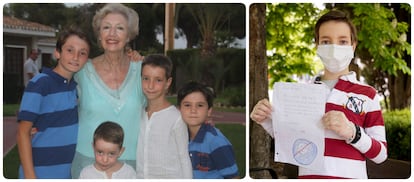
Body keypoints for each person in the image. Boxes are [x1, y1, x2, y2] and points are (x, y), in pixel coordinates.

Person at [250, 10, 387, 179]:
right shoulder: (301, 94)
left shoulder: (368, 94)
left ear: (353, 45)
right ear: (317, 46)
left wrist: (353, 132)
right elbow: (292, 141)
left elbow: (381, 154)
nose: (334, 47)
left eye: (343, 41)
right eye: (326, 41)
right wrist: (267, 120)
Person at [71, 3, 146, 178]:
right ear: (99, 35)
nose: (112, 34)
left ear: (129, 36)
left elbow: (159, 107)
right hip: (87, 164)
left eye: (119, 28)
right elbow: (57, 91)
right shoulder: (81, 70)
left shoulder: (142, 70)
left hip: (132, 164)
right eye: (106, 27)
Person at [16, 26, 91, 179]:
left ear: (87, 59)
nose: (76, 57)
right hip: (39, 172)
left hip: (66, 173)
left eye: (82, 53)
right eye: (70, 50)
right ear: (57, 53)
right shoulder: (40, 83)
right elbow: (23, 133)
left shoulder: (75, 87)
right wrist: (30, 176)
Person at [135, 54, 192, 178]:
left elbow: (184, 158)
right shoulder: (139, 113)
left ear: (168, 82)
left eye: (158, 80)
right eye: (146, 78)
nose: (150, 86)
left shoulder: (176, 118)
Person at [177, 81, 239, 179]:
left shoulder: (216, 142)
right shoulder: (179, 137)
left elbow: (233, 178)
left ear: (209, 111)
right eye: (187, 105)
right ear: (179, 109)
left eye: (200, 105)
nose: (193, 110)